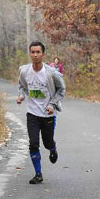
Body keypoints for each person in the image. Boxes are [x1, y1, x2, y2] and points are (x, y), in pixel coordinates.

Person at [17, 41, 66, 184]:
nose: (35, 55)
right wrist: (21, 95)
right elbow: (21, 85)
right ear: (30, 53)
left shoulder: (52, 73)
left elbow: (61, 90)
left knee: (47, 142)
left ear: (43, 54)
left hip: (48, 114)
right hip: (32, 114)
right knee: (33, 143)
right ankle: (38, 174)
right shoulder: (24, 71)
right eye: (32, 52)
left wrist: (52, 104)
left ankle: (52, 148)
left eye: (38, 52)